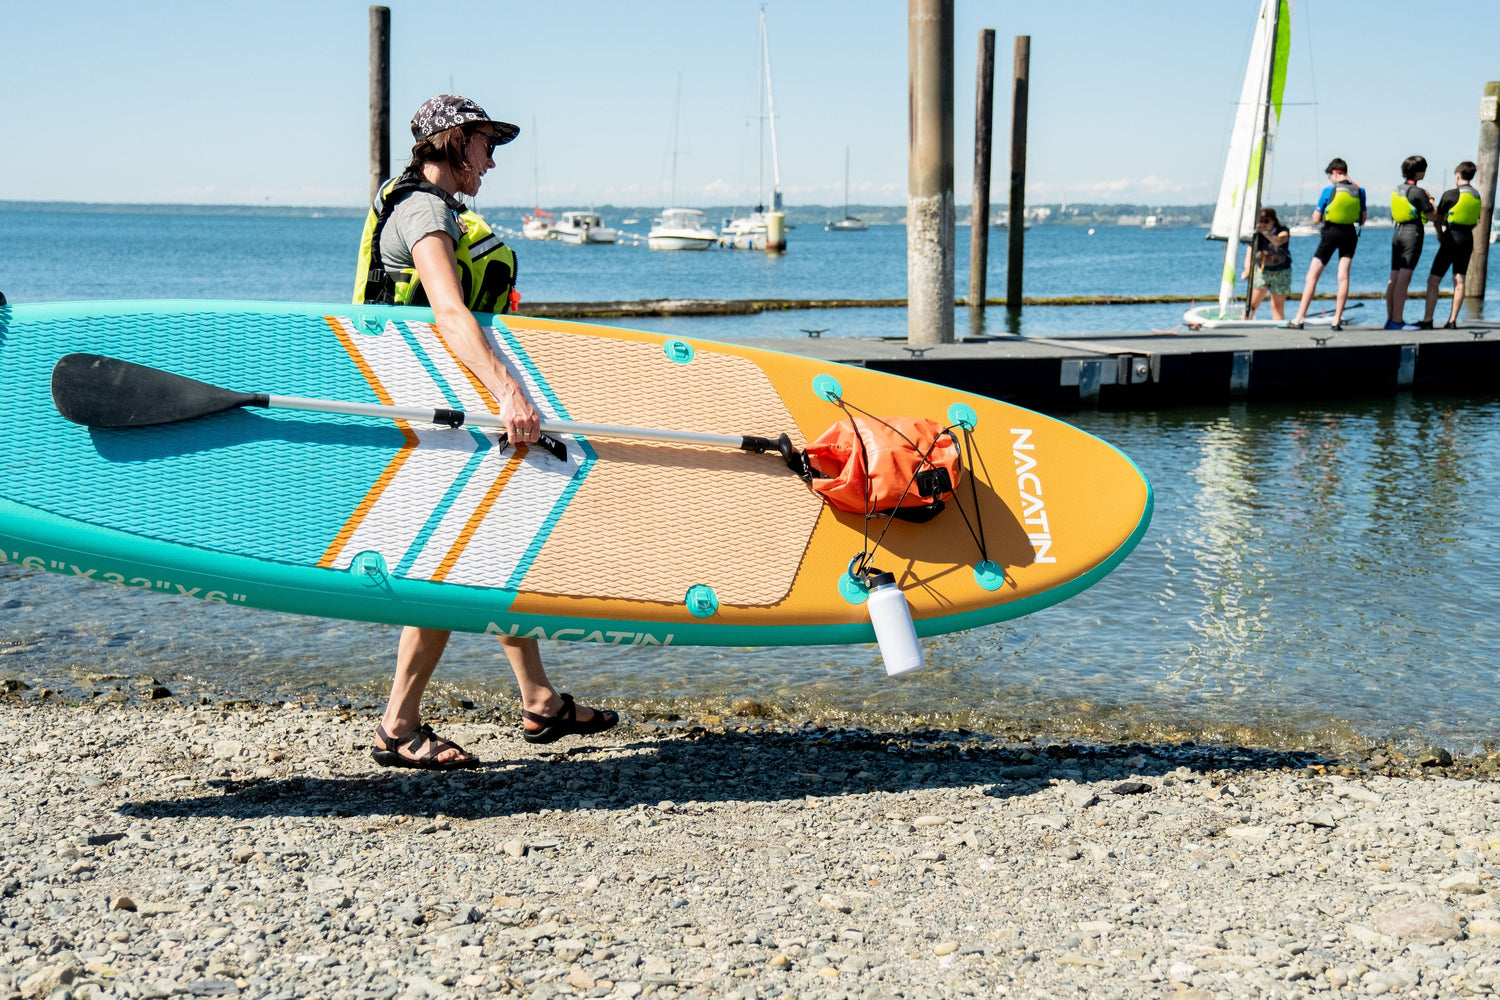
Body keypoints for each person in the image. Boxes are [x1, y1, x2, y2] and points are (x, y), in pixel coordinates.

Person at [355, 95, 617, 770]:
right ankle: (398, 724)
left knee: (496, 545)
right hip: (431, 414)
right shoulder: (421, 212)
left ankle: (538, 699)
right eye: (485, 143)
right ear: (450, 141)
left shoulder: (438, 210)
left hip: (452, 409)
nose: (492, 159)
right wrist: (508, 389)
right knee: (455, 563)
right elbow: (446, 307)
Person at [1284, 158, 1365, 330]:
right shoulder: (1360, 191)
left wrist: (1322, 218)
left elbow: (1315, 218)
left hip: (1331, 234)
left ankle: (1299, 318)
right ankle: (1336, 320)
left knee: (1312, 276)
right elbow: (1362, 219)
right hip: (1350, 234)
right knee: (1343, 277)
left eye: (1330, 176)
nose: (1330, 180)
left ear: (1335, 173)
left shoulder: (1329, 190)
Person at [1421, 161, 1484, 330]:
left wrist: (1440, 235)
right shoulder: (1477, 195)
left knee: (1434, 280)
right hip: (1467, 238)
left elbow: (1438, 217)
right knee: (1460, 278)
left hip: (1451, 237)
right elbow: (1477, 219)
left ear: (1457, 175)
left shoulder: (1450, 194)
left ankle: (1428, 320)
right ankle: (1452, 320)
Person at [1384, 156, 1435, 330]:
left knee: (1394, 278)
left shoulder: (1397, 189)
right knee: (1404, 279)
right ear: (1418, 172)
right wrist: (1432, 200)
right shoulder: (1417, 192)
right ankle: (1398, 320)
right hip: (1412, 235)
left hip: (1397, 233)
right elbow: (1432, 216)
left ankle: (1390, 318)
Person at [1241, 207, 1292, 321]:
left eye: (1266, 221)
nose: (1263, 224)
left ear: (1273, 221)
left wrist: (1264, 232)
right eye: (1260, 221)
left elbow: (1278, 242)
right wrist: (1247, 269)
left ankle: (1279, 330)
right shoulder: (1256, 236)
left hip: (1281, 272)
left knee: (1277, 307)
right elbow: (1250, 252)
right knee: (1252, 306)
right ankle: (1244, 324)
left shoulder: (1283, 231)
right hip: (1262, 271)